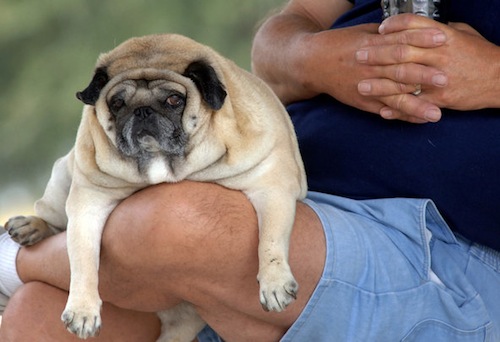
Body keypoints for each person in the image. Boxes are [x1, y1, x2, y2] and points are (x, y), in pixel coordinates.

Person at [0, 0, 499, 341]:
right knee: (38, 319)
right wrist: (317, 58)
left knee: (178, 224)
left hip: (458, 253)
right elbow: (283, 35)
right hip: (293, 204)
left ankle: (16, 263)